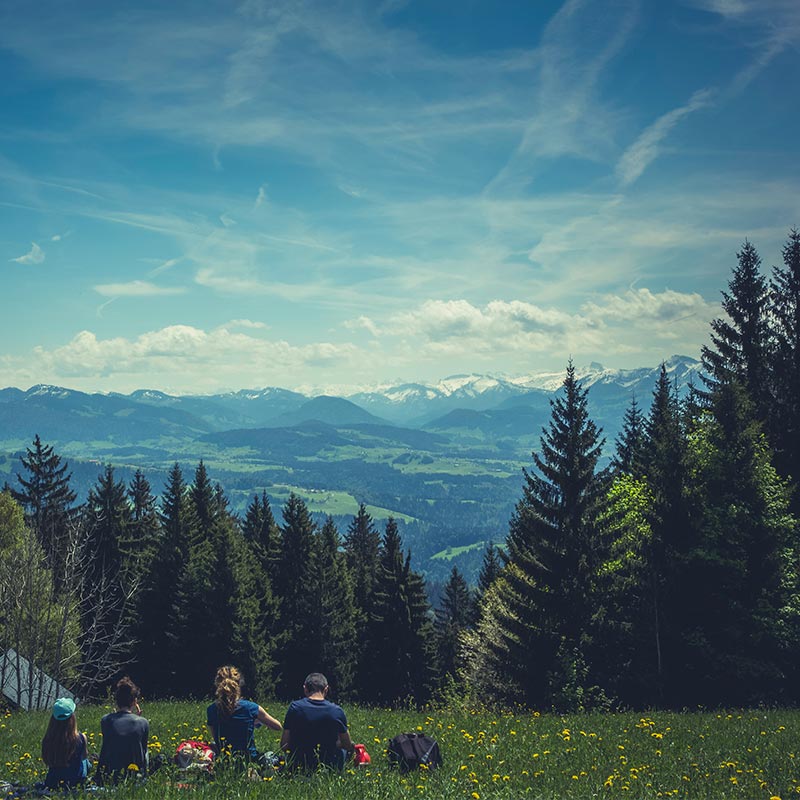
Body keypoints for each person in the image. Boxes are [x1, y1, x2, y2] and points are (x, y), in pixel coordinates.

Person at [206, 665, 281, 764]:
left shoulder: (211, 710)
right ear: (238, 684)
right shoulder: (251, 708)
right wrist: (259, 721)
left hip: (225, 760)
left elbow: (216, 737)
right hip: (249, 759)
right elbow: (278, 727)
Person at [281, 672, 353, 770]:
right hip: (329, 766)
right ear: (326, 689)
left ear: (305, 688)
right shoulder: (336, 711)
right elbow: (347, 745)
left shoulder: (295, 708)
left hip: (300, 765)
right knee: (350, 746)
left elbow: (284, 745)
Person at [95, 676, 149, 784]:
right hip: (133, 775)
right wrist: (138, 717)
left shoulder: (105, 720)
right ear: (134, 701)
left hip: (108, 775)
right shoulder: (143, 722)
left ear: (117, 701)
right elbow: (142, 750)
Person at [41, 697, 91, 790]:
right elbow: (84, 757)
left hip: (52, 782)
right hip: (74, 782)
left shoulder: (48, 739)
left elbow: (46, 760)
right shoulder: (81, 738)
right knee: (86, 762)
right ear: (72, 718)